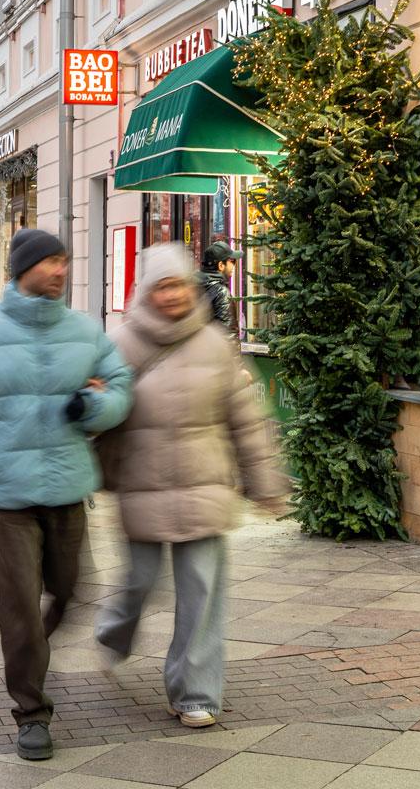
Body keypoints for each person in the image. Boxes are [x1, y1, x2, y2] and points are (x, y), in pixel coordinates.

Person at [0, 228, 134, 763]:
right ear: (21, 269)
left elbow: (122, 387)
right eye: (50, 262)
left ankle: (32, 649)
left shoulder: (85, 331)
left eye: (64, 261)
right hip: (8, 498)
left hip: (68, 490)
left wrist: (92, 406)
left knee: (71, 590)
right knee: (18, 607)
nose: (60, 271)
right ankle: (31, 711)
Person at [94, 243, 287, 728]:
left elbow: (245, 420)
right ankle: (116, 632)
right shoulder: (121, 345)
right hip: (141, 486)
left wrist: (265, 482)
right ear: (146, 291)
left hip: (205, 486)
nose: (173, 295)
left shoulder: (215, 345)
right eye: (163, 286)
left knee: (201, 594)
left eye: (179, 285)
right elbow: (99, 416)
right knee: (139, 582)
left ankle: (194, 693)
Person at [199, 242, 238, 332]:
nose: (233, 266)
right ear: (221, 265)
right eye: (232, 261)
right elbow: (228, 333)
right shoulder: (221, 292)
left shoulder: (192, 286)